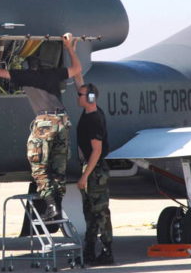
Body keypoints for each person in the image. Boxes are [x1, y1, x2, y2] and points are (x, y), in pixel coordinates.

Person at [0, 34, 81, 220]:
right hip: (63, 121)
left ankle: (51, 207)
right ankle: (56, 206)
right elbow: (77, 69)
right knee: (59, 168)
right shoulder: (53, 74)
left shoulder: (25, 76)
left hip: (45, 123)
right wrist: (69, 48)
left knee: (39, 166)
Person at [74, 82, 113, 265]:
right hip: (91, 169)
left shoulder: (94, 119)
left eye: (81, 95)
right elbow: (80, 81)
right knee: (89, 213)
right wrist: (71, 54)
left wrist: (85, 176)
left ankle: (107, 252)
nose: (77, 96)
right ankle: (88, 251)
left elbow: (96, 151)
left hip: (95, 171)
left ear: (90, 98)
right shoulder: (88, 112)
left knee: (100, 213)